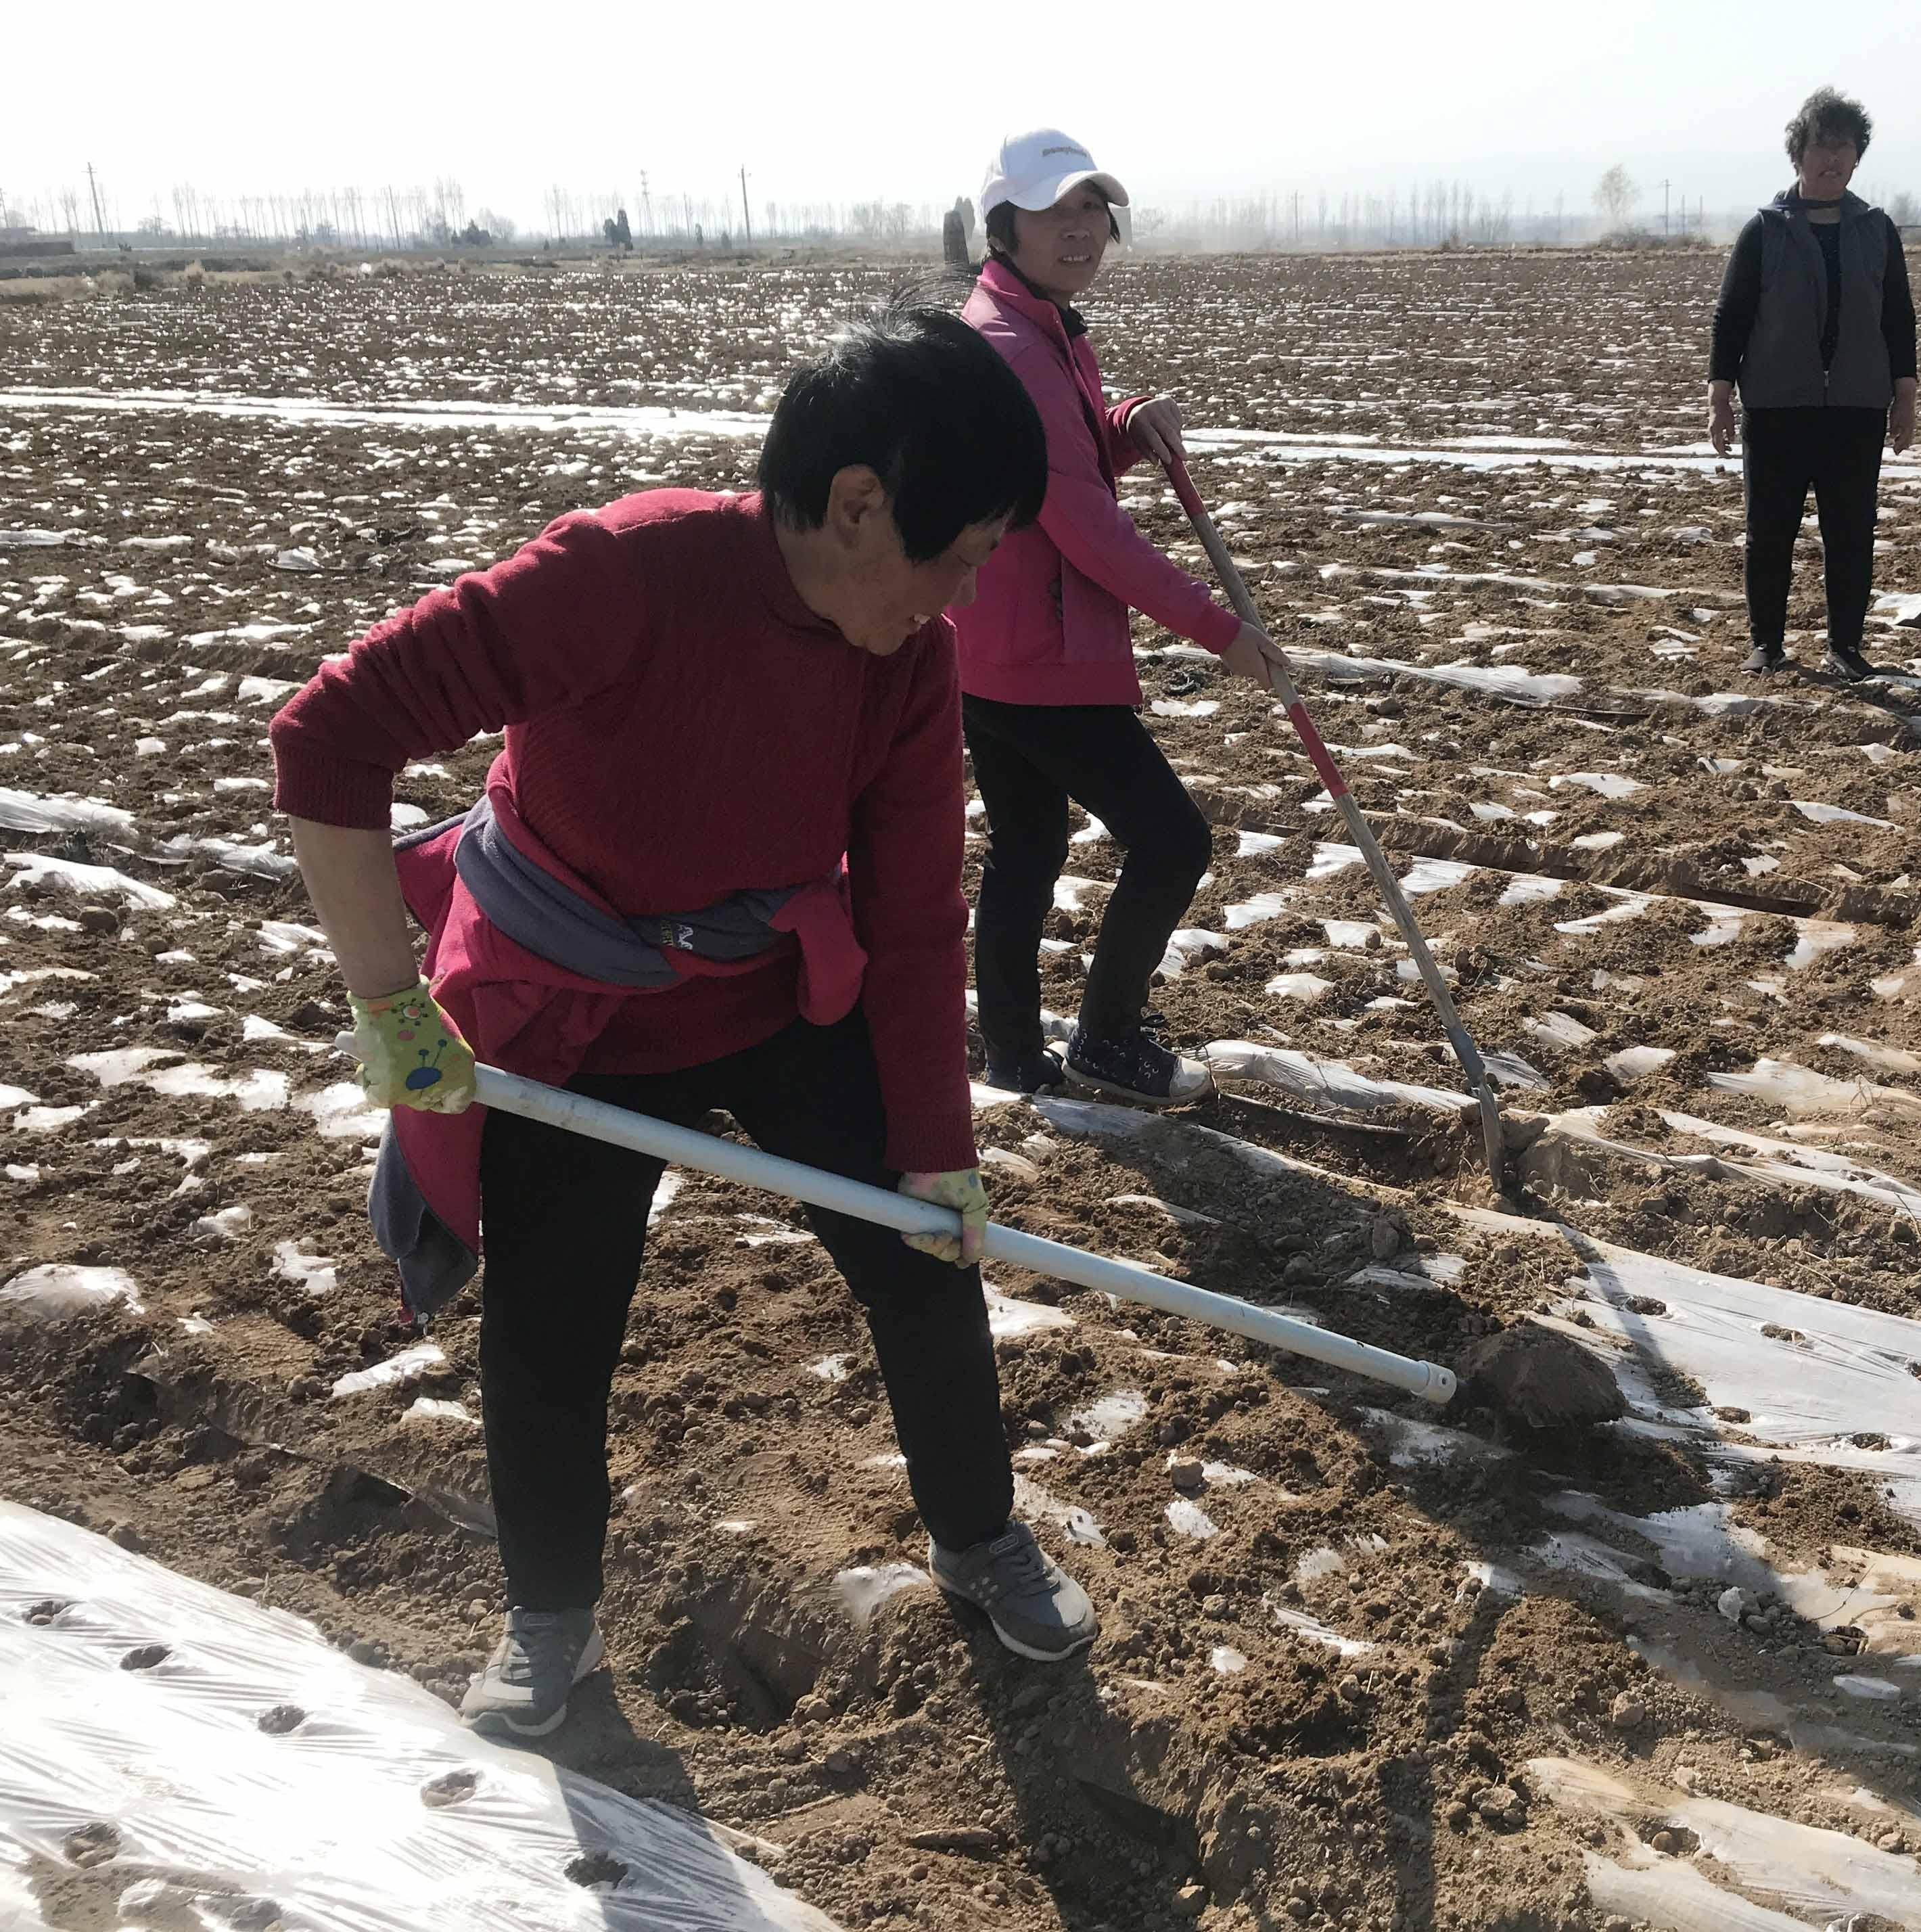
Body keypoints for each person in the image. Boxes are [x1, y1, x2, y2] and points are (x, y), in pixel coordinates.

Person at [267, 298, 1101, 1739]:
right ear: (857, 503)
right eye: (953, 558)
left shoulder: (903, 662)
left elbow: (910, 921)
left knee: (923, 1259)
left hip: (776, 990)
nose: (957, 601)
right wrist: (388, 1003)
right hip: (573, 1010)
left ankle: (976, 1539)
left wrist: (939, 1148)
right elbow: (328, 734)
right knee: (549, 1329)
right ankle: (550, 1625)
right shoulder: (622, 580)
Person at [956, 128, 1290, 1105]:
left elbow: (1063, 454)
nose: (1082, 230)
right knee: (1173, 838)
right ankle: (1105, 1039)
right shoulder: (1016, 344)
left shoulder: (1037, 324)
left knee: (1028, 842)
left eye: (1094, 209)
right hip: (1038, 650)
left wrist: (1124, 419)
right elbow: (1085, 527)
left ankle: (1015, 1048)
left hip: (998, 643)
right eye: (1057, 211)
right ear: (1003, 224)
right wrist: (1221, 631)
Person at [1707, 85, 1920, 681]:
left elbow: (1898, 316)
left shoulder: (1876, 230)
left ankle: (1846, 646)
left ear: (1858, 157)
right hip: (1777, 408)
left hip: (1856, 408)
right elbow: (1732, 315)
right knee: (1768, 532)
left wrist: (1905, 396)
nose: (1832, 160)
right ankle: (1766, 645)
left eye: (1843, 149)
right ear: (1798, 155)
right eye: (1820, 148)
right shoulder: (1765, 231)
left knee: (1850, 533)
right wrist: (1720, 395)